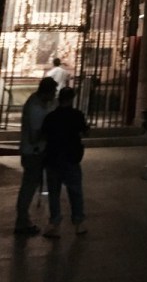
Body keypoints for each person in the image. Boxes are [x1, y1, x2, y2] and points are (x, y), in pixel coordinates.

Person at [40, 87, 89, 238]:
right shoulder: (77, 115)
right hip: (71, 157)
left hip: (53, 158)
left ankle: (54, 223)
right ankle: (78, 222)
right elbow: (85, 132)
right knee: (75, 191)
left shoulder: (51, 116)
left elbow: (44, 135)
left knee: (54, 193)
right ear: (71, 99)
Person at [14, 76, 58, 236]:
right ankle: (22, 221)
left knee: (29, 185)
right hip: (33, 151)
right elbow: (34, 136)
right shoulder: (36, 108)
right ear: (47, 92)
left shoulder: (36, 101)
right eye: (53, 92)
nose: (54, 96)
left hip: (33, 151)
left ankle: (23, 219)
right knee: (29, 186)